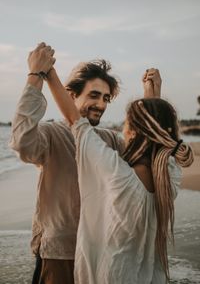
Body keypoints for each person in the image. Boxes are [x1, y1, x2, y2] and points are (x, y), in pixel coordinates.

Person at [9, 42, 162, 284]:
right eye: (93, 95)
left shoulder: (111, 141)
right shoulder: (51, 135)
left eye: (105, 98)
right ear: (71, 95)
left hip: (104, 254)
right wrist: (35, 75)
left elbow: (145, 166)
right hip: (61, 253)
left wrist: (153, 98)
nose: (101, 104)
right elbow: (21, 142)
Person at [45, 61, 194, 283]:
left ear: (132, 132)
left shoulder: (118, 174)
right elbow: (157, 130)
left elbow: (75, 121)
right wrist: (153, 94)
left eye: (127, 124)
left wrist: (48, 72)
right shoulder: (169, 175)